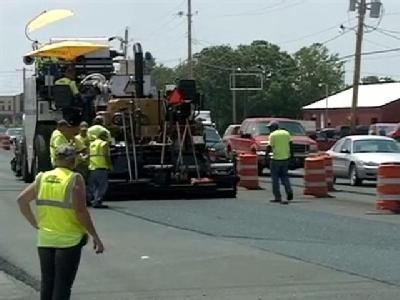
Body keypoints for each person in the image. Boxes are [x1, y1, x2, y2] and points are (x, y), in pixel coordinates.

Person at [17, 144, 104, 300]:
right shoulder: (74, 179)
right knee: (62, 286)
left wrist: (35, 224)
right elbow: (81, 211)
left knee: (47, 284)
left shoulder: (42, 177)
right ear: (73, 160)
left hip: (45, 239)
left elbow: (22, 200)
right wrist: (95, 236)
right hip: (69, 240)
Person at [266, 122, 294, 205]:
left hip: (275, 159)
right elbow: (291, 144)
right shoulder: (286, 133)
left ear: (273, 128)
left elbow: (269, 147)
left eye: (269, 128)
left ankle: (277, 197)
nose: (269, 130)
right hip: (285, 158)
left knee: (275, 179)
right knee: (285, 176)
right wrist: (291, 156)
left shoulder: (272, 135)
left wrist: (266, 157)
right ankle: (289, 191)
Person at [87, 130, 112, 208]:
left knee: (94, 185)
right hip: (101, 166)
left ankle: (92, 200)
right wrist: (110, 165)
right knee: (102, 185)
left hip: (92, 167)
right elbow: (106, 155)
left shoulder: (92, 144)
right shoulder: (103, 144)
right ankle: (97, 201)